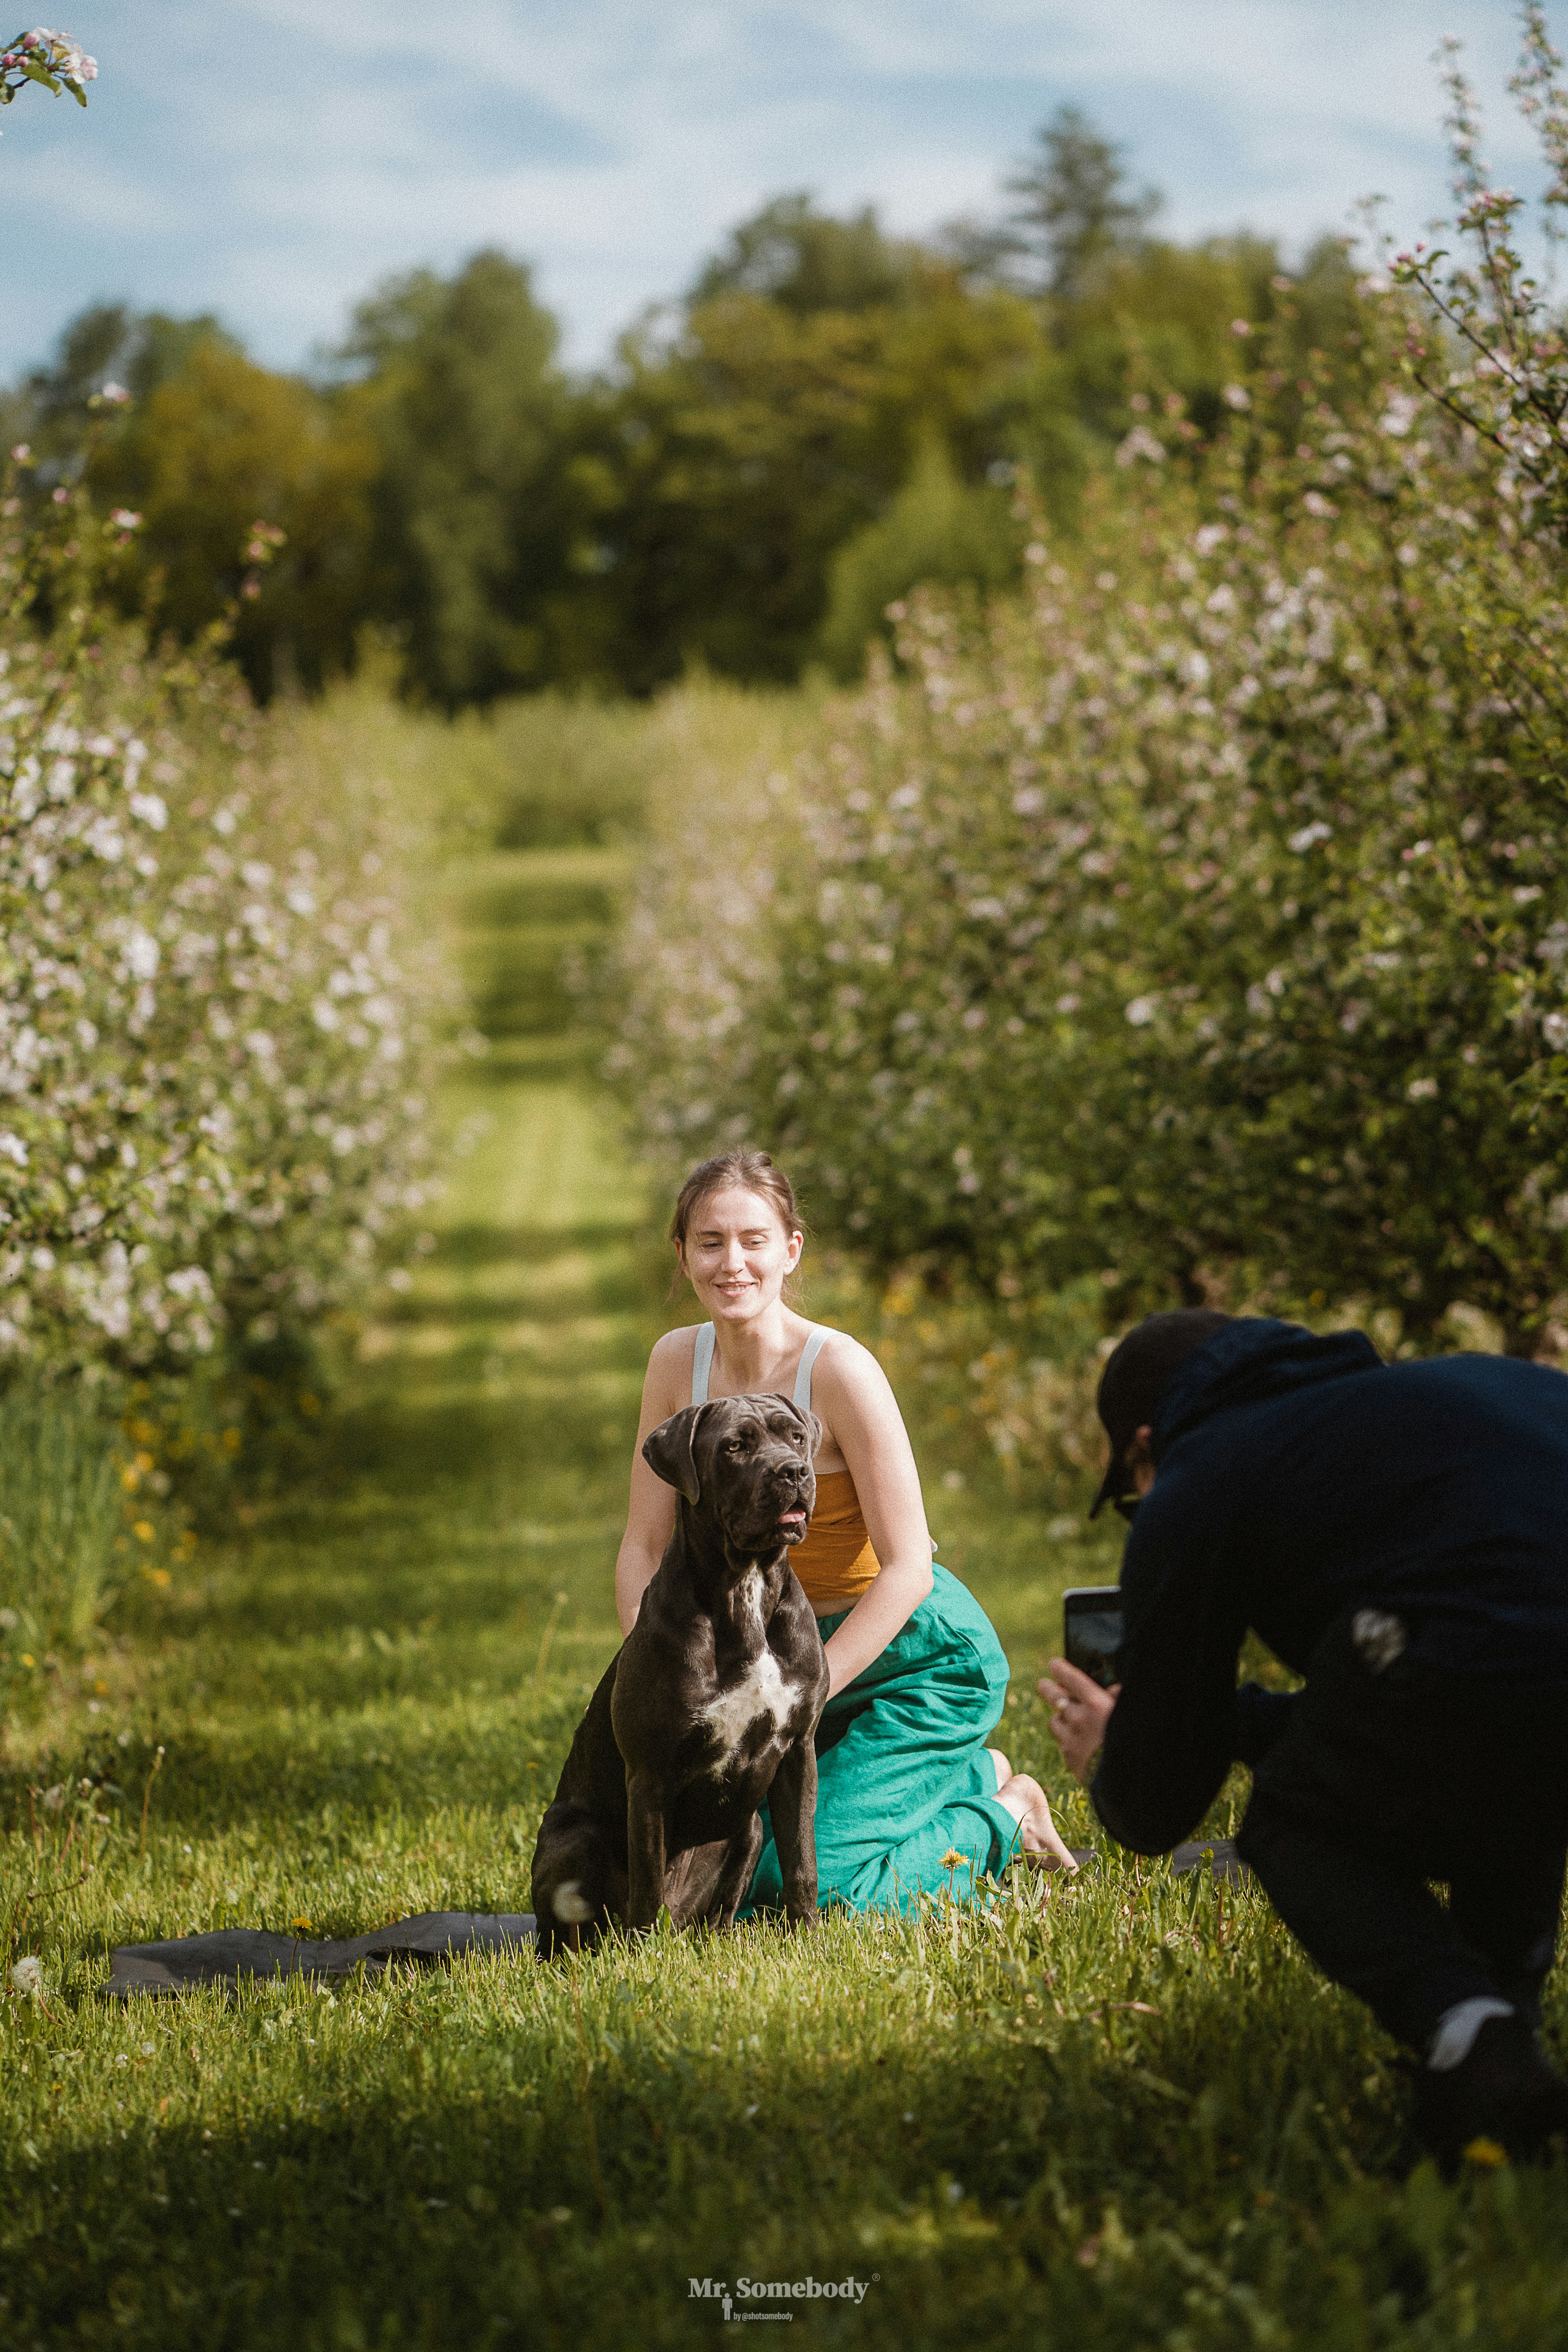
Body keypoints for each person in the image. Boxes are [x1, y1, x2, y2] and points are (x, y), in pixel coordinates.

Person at [1040, 1309, 1568, 2168]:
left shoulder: (1202, 1473)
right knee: (1490, 1736)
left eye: (1135, 1488)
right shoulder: (1450, 1397)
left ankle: (1467, 2032)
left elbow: (1154, 1812)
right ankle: (1499, 2064)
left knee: (1292, 1821)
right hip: (1498, 1676)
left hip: (1482, 1671)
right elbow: (1432, 1699)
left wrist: (1114, 1751)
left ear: (1146, 1441)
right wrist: (1237, 1720)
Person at [615, 1147, 1078, 1909]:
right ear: (682, 1254)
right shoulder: (675, 1365)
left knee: (810, 1889)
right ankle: (969, 1776)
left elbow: (909, 1568)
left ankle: (1001, 1813)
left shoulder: (838, 1371)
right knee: (725, 1863)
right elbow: (642, 1544)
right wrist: (658, 1668)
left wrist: (804, 1689)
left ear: (790, 1249)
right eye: (710, 1242)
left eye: (753, 1240)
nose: (733, 1262)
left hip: (910, 1660)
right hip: (771, 1660)